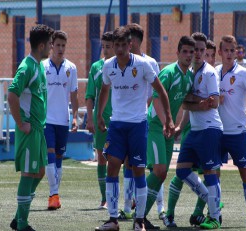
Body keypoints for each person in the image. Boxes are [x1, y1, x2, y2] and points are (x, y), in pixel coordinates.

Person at [94, 26, 173, 231]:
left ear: (130, 45)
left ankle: (139, 221)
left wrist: (169, 119)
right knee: (112, 166)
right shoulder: (108, 66)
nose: (119, 49)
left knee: (138, 170)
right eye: (115, 45)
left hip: (138, 125)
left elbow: (160, 91)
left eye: (123, 45)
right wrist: (99, 115)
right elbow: (104, 89)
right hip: (117, 124)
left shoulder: (144, 65)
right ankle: (113, 219)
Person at [164, 38, 219, 228]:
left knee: (211, 172)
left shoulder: (209, 73)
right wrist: (196, 105)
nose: (197, 53)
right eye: (194, 49)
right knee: (181, 170)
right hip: (194, 130)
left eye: (201, 50)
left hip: (209, 129)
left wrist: (197, 103)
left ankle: (214, 217)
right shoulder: (189, 74)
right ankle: (212, 202)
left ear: (205, 52)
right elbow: (185, 103)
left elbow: (214, 102)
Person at [115, 23, 164, 225]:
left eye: (127, 41)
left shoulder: (149, 63)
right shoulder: (121, 62)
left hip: (145, 121)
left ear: (133, 42)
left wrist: (141, 109)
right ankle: (127, 208)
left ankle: (160, 208)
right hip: (126, 121)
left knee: (149, 165)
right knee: (128, 162)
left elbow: (156, 92)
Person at [144, 36, 195, 227]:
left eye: (192, 52)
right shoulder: (168, 72)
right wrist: (167, 123)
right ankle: (139, 209)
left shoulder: (189, 77)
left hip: (167, 129)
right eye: (185, 51)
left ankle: (142, 213)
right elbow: (156, 98)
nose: (189, 55)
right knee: (158, 170)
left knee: (162, 173)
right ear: (178, 53)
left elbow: (188, 103)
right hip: (156, 126)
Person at [8, 24, 54, 231]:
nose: (52, 48)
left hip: (38, 130)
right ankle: (22, 223)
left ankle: (18, 217)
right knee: (28, 173)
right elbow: (12, 94)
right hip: (29, 130)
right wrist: (20, 123)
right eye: (51, 44)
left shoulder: (38, 66)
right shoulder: (27, 67)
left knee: (40, 172)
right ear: (42, 45)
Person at [216, 35, 246, 228]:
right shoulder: (213, 72)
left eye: (232, 50)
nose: (229, 54)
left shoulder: (242, 73)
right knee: (213, 173)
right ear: (220, 52)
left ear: (236, 53)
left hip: (237, 132)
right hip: (216, 131)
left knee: (245, 172)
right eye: (225, 50)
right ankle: (215, 214)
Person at [43, 30, 79, 210]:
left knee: (58, 156)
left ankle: (55, 193)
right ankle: (53, 194)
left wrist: (74, 117)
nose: (60, 48)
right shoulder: (43, 67)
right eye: (57, 45)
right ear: (51, 46)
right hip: (47, 119)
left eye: (63, 45)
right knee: (50, 153)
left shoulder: (71, 68)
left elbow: (74, 95)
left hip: (63, 120)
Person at [85, 31, 114, 210]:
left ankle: (125, 198)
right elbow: (90, 95)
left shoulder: (120, 67)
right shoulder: (96, 67)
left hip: (119, 119)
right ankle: (104, 198)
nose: (105, 50)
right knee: (102, 159)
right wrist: (90, 117)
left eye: (108, 46)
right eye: (103, 46)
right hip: (100, 120)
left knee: (122, 160)